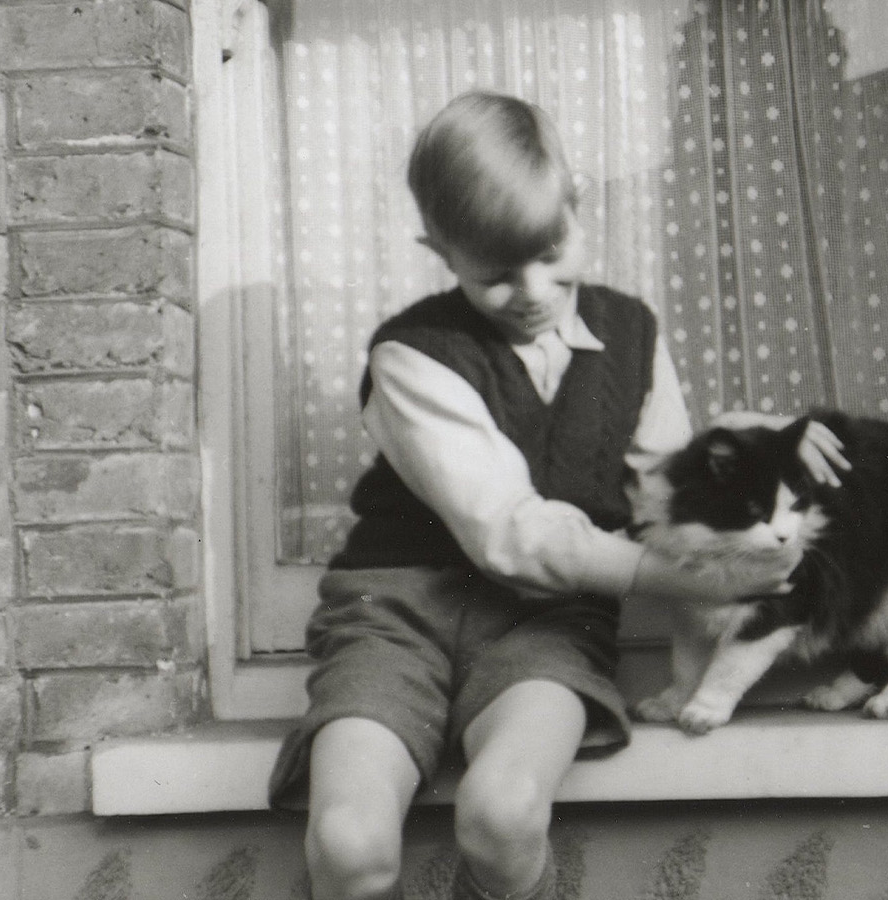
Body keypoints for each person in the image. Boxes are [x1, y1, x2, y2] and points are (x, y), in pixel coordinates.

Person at [269, 90, 849, 900]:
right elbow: (511, 533)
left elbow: (667, 483)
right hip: (394, 615)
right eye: (495, 276)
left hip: (544, 627)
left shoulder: (632, 334)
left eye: (551, 251)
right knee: (349, 843)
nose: (535, 289)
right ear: (439, 251)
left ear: (578, 208)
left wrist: (764, 433)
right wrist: (676, 582)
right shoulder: (412, 356)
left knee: (502, 817)